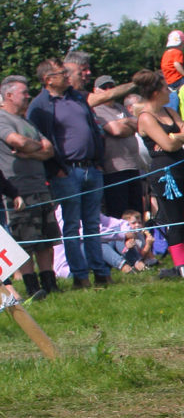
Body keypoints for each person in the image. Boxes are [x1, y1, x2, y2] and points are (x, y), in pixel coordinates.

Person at [27, 58, 109, 288]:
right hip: (66, 173)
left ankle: (101, 272)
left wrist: (99, 161)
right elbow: (40, 140)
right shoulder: (40, 106)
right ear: (48, 79)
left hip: (91, 168)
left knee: (93, 223)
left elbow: (93, 129)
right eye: (61, 72)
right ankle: (80, 276)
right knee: (72, 225)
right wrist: (57, 170)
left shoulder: (77, 98)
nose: (66, 75)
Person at [131, 69, 184, 277]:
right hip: (165, 174)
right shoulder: (146, 118)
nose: (170, 92)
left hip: (183, 168)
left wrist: (173, 137)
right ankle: (182, 268)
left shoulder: (170, 112)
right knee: (175, 219)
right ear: (156, 92)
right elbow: (168, 144)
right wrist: (177, 137)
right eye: (165, 89)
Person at [0, 76, 58, 299]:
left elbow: (49, 149)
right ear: (9, 95)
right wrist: (34, 148)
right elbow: (19, 142)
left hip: (39, 185)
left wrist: (30, 151)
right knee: (25, 238)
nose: (27, 96)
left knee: (47, 236)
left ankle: (50, 282)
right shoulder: (3, 119)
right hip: (18, 187)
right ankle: (32, 286)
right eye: (24, 93)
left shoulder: (27, 122)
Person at [91, 74, 144, 219]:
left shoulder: (120, 107)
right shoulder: (97, 110)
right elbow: (117, 130)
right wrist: (128, 123)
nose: (109, 90)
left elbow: (139, 126)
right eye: (104, 87)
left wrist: (125, 123)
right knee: (120, 214)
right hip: (114, 170)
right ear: (96, 91)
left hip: (133, 166)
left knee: (137, 212)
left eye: (111, 86)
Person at [160, 30, 184, 110]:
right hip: (177, 80)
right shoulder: (177, 52)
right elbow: (177, 64)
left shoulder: (166, 53)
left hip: (168, 81)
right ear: (181, 43)